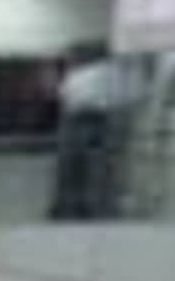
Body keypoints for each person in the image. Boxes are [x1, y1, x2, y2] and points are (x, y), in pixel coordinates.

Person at [52, 41, 135, 221]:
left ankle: (69, 209)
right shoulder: (119, 72)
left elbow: (65, 97)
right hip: (105, 122)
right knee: (101, 169)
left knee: (71, 167)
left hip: (78, 121)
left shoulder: (80, 75)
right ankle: (99, 209)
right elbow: (127, 98)